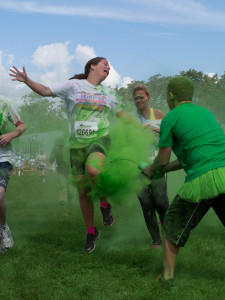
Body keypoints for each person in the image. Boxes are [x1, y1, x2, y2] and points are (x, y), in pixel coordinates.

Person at [9, 57, 137, 252]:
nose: (109, 67)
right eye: (105, 64)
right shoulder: (73, 86)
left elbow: (123, 115)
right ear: (92, 66)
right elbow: (45, 91)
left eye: (109, 66)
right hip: (77, 146)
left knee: (94, 171)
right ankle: (91, 232)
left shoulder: (108, 93)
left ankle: (104, 204)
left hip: (100, 139)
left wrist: (142, 127)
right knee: (83, 192)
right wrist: (27, 80)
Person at [143, 76, 225, 286]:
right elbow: (186, 157)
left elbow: (162, 159)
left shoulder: (171, 117)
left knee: (171, 225)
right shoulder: (205, 112)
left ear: (170, 95)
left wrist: (151, 171)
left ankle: (167, 278)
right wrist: (162, 171)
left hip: (202, 180)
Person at [133, 85, 169, 249]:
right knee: (146, 203)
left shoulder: (159, 114)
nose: (138, 100)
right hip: (137, 166)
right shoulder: (132, 118)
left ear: (148, 98)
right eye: (136, 98)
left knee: (161, 202)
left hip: (156, 163)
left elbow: (169, 135)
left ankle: (168, 232)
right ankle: (156, 241)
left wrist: (156, 130)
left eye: (141, 97)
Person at [0, 98, 26, 253]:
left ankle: (3, 228)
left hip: (3, 157)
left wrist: (12, 134)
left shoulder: (4, 103)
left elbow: (22, 125)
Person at [49, 137, 70, 205]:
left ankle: (65, 200)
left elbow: (51, 159)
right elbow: (51, 159)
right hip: (64, 170)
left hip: (67, 170)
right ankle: (63, 200)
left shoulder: (62, 148)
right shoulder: (59, 148)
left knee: (65, 186)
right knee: (63, 185)